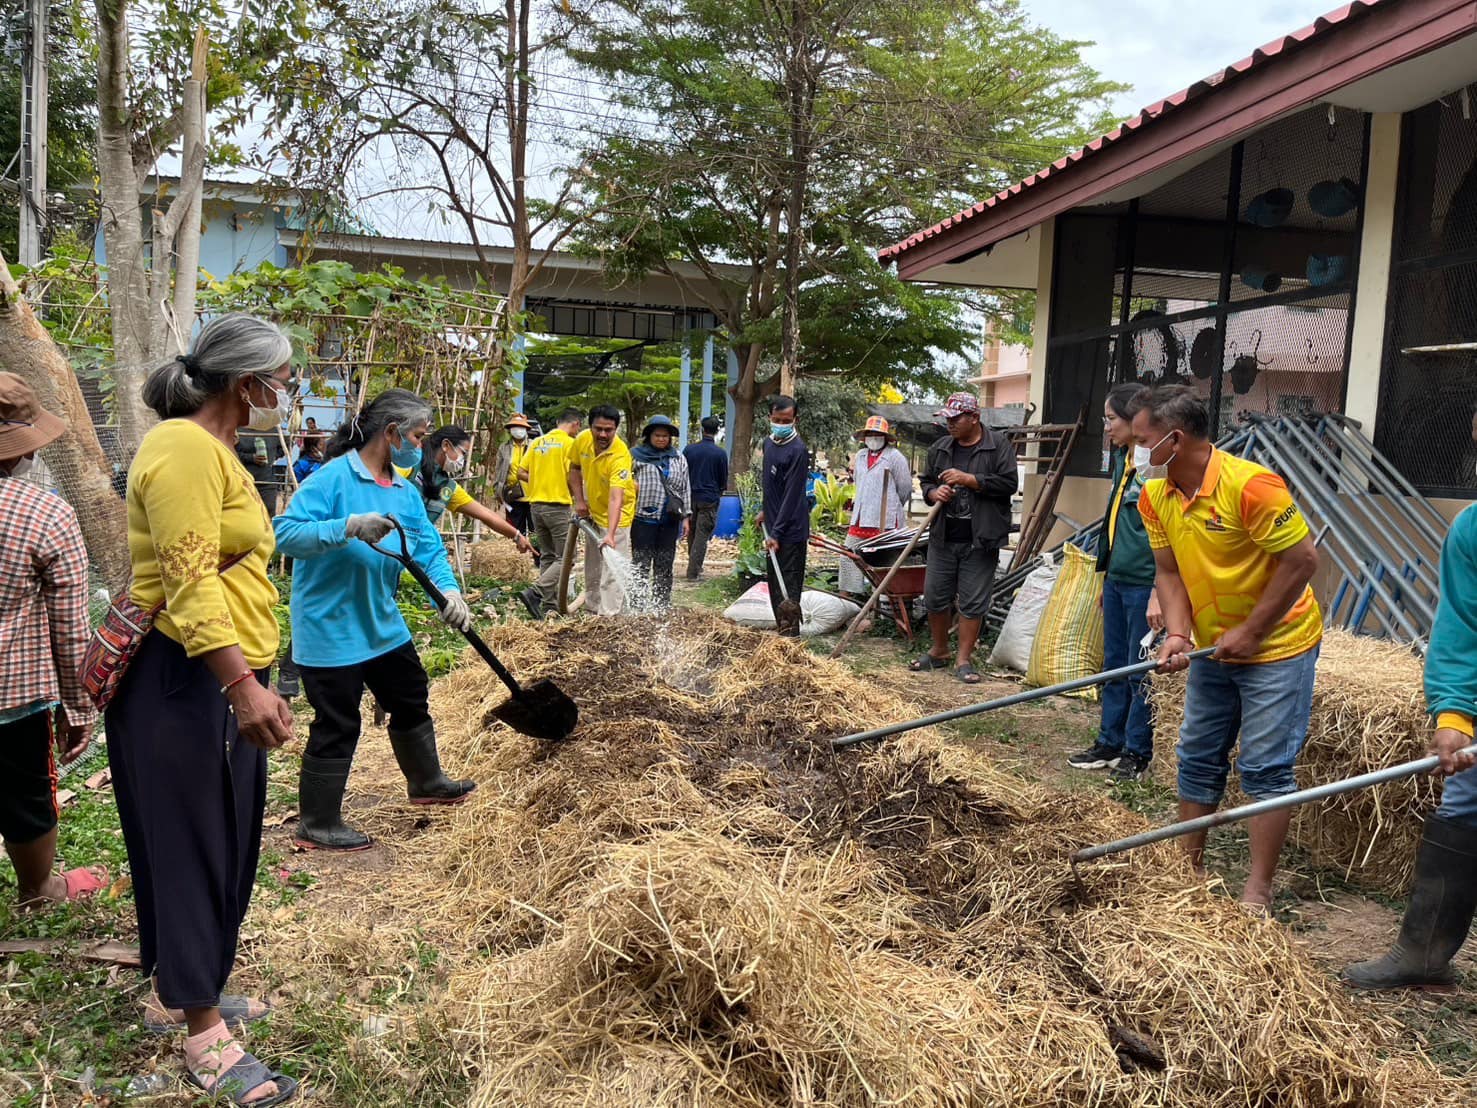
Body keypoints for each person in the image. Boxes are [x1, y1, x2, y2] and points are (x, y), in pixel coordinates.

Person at [108, 313, 299, 1104]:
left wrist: (254, 676)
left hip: (219, 675)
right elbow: (189, 581)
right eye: (283, 379)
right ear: (247, 383)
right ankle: (202, 1032)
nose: (287, 392)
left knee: (224, 838)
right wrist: (240, 684)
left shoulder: (218, 450)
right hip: (188, 678)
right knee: (192, 844)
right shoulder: (183, 448)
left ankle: (194, 985)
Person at [1135, 384, 1321, 913]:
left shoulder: (1252, 487)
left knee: (1265, 767)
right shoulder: (1155, 496)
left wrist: (1254, 631)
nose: (1133, 450)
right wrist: (1178, 634)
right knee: (1196, 754)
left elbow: (1303, 561)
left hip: (1278, 645)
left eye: (1142, 440)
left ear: (1174, 439)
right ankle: (1187, 870)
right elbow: (1170, 572)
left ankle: (1257, 890)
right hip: (1213, 648)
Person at [275, 389, 476, 854]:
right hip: (329, 625)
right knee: (338, 721)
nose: (421, 445)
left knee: (410, 694)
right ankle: (318, 822)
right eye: (418, 436)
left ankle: (426, 781)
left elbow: (427, 548)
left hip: (380, 621)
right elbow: (284, 534)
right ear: (391, 433)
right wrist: (346, 526)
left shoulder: (404, 492)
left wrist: (448, 591)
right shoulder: (332, 480)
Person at [1343, 505, 1477, 989]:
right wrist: (1454, 715)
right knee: (1463, 806)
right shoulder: (1472, 528)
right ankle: (1423, 955)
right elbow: (1461, 628)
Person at [0, 374, 106, 909]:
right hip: (11, 694)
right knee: (25, 794)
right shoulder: (43, 513)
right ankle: (38, 890)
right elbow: (68, 626)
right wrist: (79, 706)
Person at [1068, 384, 1163, 782]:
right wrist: (1106, 577)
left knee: (1139, 669)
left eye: (1111, 419)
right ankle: (1109, 741)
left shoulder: (1156, 465)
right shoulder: (1122, 459)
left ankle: (1137, 751)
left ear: (1134, 419)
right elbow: (1114, 524)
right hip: (1118, 579)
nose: (1106, 427)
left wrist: (1159, 590)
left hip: (1145, 583)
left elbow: (1169, 534)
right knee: (1114, 666)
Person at [912, 392, 1018, 684]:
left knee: (972, 601)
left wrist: (970, 480)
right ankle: (939, 650)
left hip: (981, 538)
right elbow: (926, 481)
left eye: (956, 418)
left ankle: (964, 659)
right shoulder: (940, 448)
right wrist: (933, 493)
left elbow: (1009, 483)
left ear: (974, 418)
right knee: (935, 596)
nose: (950, 423)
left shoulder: (998, 445)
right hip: (943, 537)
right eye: (947, 418)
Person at [406, 425, 532, 555]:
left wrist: (517, 535)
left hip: (412, 549)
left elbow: (485, 514)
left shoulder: (447, 487)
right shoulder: (409, 465)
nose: (463, 461)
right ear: (446, 445)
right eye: (463, 453)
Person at [569, 405, 636, 617]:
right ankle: (592, 609)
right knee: (593, 566)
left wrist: (610, 534)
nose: (603, 435)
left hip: (617, 515)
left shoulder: (620, 455)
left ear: (616, 429)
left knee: (611, 569)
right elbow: (574, 468)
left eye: (609, 430)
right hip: (593, 508)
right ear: (590, 427)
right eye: (598, 429)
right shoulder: (582, 440)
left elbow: (616, 497)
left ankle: (609, 616)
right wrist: (579, 501)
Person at [518, 407, 583, 619]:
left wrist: (539, 481)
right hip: (558, 506)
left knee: (548, 555)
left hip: (536, 506)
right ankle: (536, 591)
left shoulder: (537, 442)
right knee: (567, 557)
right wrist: (578, 496)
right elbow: (571, 476)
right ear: (575, 424)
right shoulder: (570, 444)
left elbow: (520, 471)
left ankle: (548, 606)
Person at [838, 416, 911, 600]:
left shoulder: (895, 457)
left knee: (884, 561)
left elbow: (904, 489)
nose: (873, 438)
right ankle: (845, 599)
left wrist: (894, 505)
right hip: (861, 517)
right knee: (848, 556)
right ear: (864, 437)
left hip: (886, 519)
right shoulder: (861, 456)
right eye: (870, 434)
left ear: (885, 437)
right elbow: (859, 482)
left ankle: (883, 601)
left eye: (878, 434)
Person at [755, 395, 808, 636]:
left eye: (786, 420)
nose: (781, 424)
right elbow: (772, 486)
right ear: (770, 417)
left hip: (791, 530)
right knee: (775, 585)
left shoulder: (798, 450)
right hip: (774, 525)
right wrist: (766, 511)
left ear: (795, 420)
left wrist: (777, 532)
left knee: (789, 586)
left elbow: (792, 494)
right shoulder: (768, 443)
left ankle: (790, 638)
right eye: (777, 419)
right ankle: (781, 633)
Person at [631, 414, 692, 611]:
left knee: (664, 563)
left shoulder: (678, 458)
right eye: (657, 435)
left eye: (665, 436)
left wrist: (686, 517)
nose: (661, 439)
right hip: (642, 518)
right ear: (649, 436)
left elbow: (685, 488)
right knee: (641, 563)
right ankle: (638, 605)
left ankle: (661, 605)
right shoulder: (635, 456)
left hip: (670, 519)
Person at [684, 416, 728, 580]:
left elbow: (683, 473)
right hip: (709, 498)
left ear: (702, 430)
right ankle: (693, 572)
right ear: (717, 431)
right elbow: (723, 479)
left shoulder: (689, 450)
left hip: (690, 497)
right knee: (702, 535)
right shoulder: (720, 454)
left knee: (692, 533)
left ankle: (693, 565)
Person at [494, 412, 534, 535]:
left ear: (526, 429)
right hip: (513, 495)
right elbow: (498, 470)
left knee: (535, 531)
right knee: (515, 532)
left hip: (533, 495)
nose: (518, 430)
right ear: (510, 429)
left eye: (521, 427)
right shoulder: (504, 448)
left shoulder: (534, 445)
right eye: (515, 427)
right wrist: (498, 490)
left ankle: (535, 548)